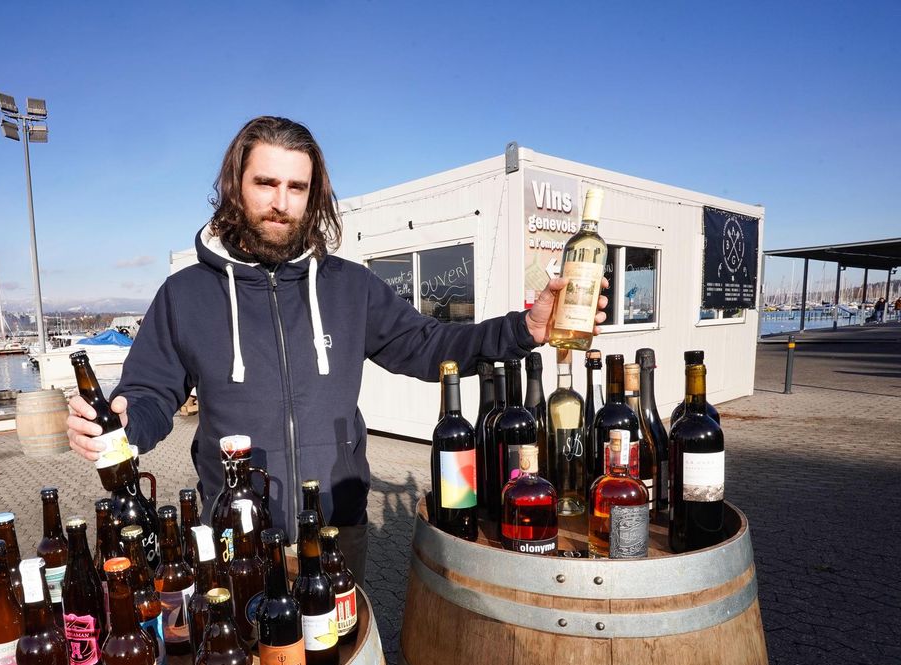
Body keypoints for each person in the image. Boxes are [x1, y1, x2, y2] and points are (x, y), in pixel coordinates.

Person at [66, 116, 607, 585]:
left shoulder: (350, 287)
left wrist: (523, 329)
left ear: (315, 194)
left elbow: (429, 345)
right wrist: (120, 423)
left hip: (336, 526)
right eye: (266, 183)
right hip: (236, 533)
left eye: (297, 187)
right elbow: (151, 392)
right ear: (235, 185)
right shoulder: (185, 295)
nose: (281, 203)